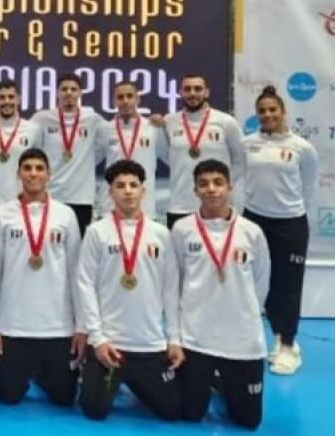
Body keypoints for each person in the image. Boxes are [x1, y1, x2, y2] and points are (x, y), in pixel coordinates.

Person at [75, 160, 182, 421]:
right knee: (94, 410)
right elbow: (85, 284)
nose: (128, 191)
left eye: (134, 185)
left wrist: (174, 339)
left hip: (149, 344)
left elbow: (170, 289)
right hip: (109, 345)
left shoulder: (161, 233)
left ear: (144, 191)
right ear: (110, 192)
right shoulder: (96, 232)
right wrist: (97, 339)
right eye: (120, 186)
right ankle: (111, 377)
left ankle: (136, 381)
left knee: (173, 412)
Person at [172, 159, 270, 429]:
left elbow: (261, 281)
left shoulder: (252, 232)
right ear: (195, 190)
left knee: (248, 421)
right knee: (190, 413)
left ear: (230, 187)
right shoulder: (182, 229)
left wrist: (245, 314)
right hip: (196, 338)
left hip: (242, 341)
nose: (211, 189)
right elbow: (175, 282)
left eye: (218, 183)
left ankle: (224, 382)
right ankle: (212, 379)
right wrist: (176, 335)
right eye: (203, 184)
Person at [0, 148, 85, 406]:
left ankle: (41, 373)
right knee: (9, 396)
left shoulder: (66, 215)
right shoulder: (2, 214)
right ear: (18, 174)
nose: (33, 174)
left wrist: (81, 326)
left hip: (57, 327)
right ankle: (31, 370)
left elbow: (76, 273)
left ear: (49, 174)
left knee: (64, 398)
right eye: (27, 168)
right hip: (13, 326)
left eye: (39, 168)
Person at [242, 86, 319, 375]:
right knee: (253, 283)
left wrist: (291, 213)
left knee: (286, 286)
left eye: (273, 109)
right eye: (262, 110)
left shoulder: (302, 148)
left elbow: (308, 188)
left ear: (283, 112)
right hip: (253, 221)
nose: (268, 115)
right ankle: (259, 339)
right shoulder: (247, 143)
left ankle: (287, 344)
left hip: (289, 223)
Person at [161, 74, 245, 228]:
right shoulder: (169, 122)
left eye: (198, 89)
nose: (192, 93)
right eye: (187, 89)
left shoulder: (226, 122)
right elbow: (167, 156)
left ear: (207, 92)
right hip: (181, 205)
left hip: (218, 205)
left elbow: (241, 159)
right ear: (180, 93)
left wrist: (221, 184)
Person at [31, 72, 106, 236]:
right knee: (47, 242)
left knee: (78, 246)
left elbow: (103, 148)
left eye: (73, 89)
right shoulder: (42, 118)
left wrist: (85, 162)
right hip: (49, 195)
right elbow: (30, 148)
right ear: (57, 92)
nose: (69, 93)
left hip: (81, 197)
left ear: (80, 93)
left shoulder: (93, 119)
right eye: (64, 89)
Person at [0, 80, 42, 217]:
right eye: (2, 97)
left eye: (11, 97)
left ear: (19, 99)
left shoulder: (33, 129)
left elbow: (37, 164)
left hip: (21, 202)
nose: (7, 101)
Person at [98, 81, 162, 218]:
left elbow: (170, 157)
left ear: (138, 99)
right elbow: (91, 159)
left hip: (145, 204)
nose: (125, 101)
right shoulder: (104, 129)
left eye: (130, 96)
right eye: (120, 97)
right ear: (114, 101)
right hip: (110, 204)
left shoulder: (153, 128)